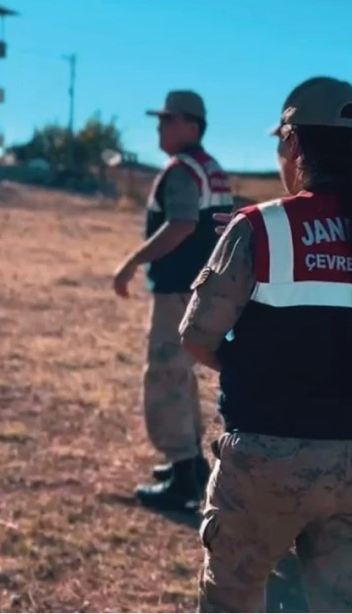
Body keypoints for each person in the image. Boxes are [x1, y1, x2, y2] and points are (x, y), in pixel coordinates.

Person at [178, 76, 352, 612]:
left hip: (268, 455)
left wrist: (246, 366)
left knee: (234, 600)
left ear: (293, 143)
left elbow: (196, 337)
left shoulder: (259, 228)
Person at [112, 89, 233, 512]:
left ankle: (183, 473)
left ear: (190, 124)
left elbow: (180, 225)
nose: (160, 128)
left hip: (179, 288)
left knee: (164, 374)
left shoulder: (182, 170)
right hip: (204, 288)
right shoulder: (211, 169)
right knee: (181, 376)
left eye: (167, 119)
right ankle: (192, 465)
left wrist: (132, 261)